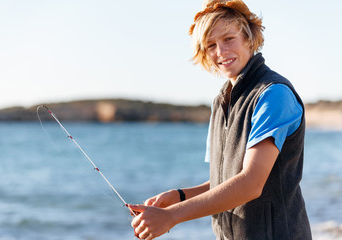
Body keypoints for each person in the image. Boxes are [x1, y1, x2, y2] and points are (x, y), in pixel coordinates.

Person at [129, 0, 312, 239]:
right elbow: (226, 180)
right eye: (210, 45)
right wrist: (180, 196)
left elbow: (251, 183)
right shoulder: (221, 101)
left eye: (228, 39)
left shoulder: (274, 94)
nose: (221, 52)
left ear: (248, 37)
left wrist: (172, 215)